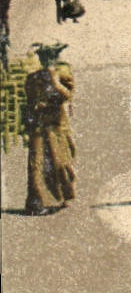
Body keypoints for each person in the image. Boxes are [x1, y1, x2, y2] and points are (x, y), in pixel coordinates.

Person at [24, 42, 77, 215]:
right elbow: (29, 100)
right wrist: (35, 108)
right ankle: (36, 203)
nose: (47, 62)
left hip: (57, 124)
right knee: (37, 163)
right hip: (40, 124)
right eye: (44, 59)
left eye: (50, 58)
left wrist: (56, 83)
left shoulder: (62, 74)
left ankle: (64, 196)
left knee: (59, 161)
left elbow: (68, 95)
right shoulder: (33, 78)